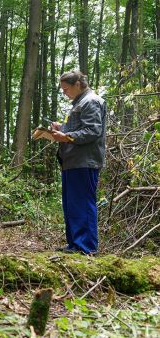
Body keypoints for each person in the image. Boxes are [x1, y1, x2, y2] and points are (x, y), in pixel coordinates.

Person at [50, 70, 106, 255]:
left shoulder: (91, 101)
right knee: (72, 204)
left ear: (77, 84)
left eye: (66, 89)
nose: (65, 93)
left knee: (83, 203)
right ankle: (75, 244)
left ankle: (87, 247)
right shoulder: (79, 103)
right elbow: (78, 129)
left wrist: (65, 136)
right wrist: (61, 128)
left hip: (85, 162)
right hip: (72, 162)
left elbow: (92, 131)